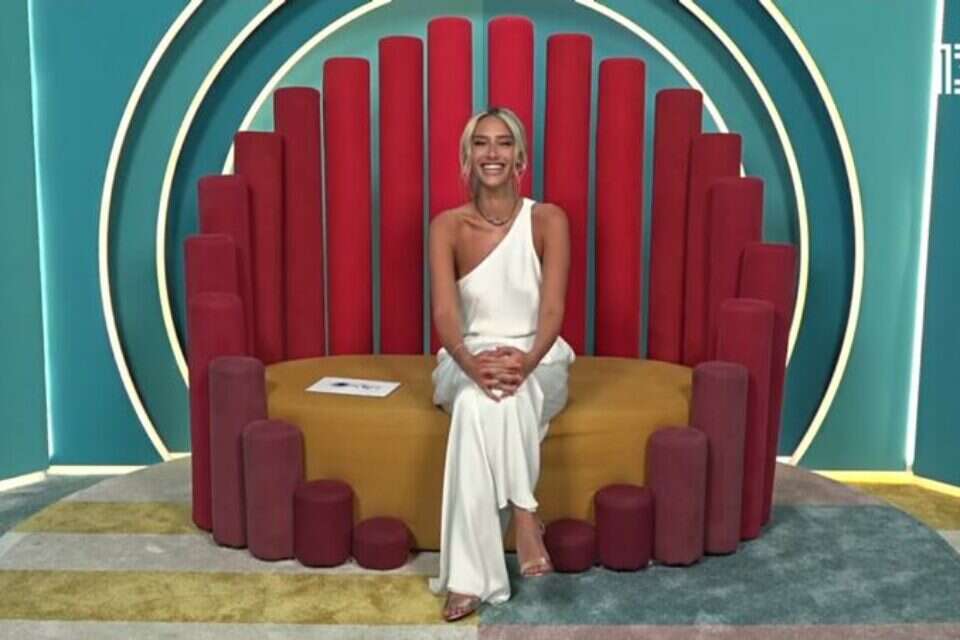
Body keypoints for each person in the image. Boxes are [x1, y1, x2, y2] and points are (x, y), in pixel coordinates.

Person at [427, 107, 576, 622]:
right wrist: (471, 364)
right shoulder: (446, 227)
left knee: (502, 396)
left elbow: (552, 311)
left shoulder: (549, 220)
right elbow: (445, 314)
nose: (492, 153)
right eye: (481, 143)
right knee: (478, 401)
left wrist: (527, 361)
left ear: (520, 158)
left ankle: (467, 581)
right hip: (465, 355)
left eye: (504, 143)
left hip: (539, 355)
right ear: (467, 157)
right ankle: (526, 515)